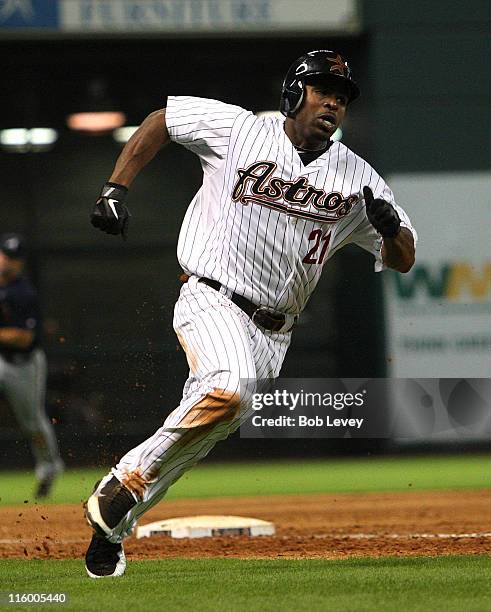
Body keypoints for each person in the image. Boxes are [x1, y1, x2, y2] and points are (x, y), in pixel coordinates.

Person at [84, 49, 416, 578]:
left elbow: (404, 259)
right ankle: (125, 484)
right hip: (213, 295)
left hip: (275, 332)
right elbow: (161, 121)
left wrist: (391, 229)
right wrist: (114, 188)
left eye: (342, 96)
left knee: (219, 416)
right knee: (229, 389)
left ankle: (113, 529)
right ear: (293, 92)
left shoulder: (360, 178)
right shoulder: (240, 130)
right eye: (322, 89)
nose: (332, 101)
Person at [0, 233, 63, 498]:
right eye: (4, 254)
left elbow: (23, 337)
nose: (7, 261)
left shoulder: (24, 293)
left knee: (32, 422)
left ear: (21, 263)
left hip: (24, 363)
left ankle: (50, 467)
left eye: (13, 258)